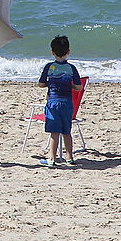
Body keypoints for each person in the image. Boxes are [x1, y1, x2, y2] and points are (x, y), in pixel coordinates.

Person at [38, 36, 81, 168]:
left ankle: (51, 157)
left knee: (54, 132)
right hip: (67, 103)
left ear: (52, 52)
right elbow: (79, 87)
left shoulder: (49, 67)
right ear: (68, 51)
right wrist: (71, 86)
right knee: (67, 131)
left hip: (53, 102)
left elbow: (41, 84)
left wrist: (50, 84)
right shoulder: (71, 68)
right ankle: (69, 157)